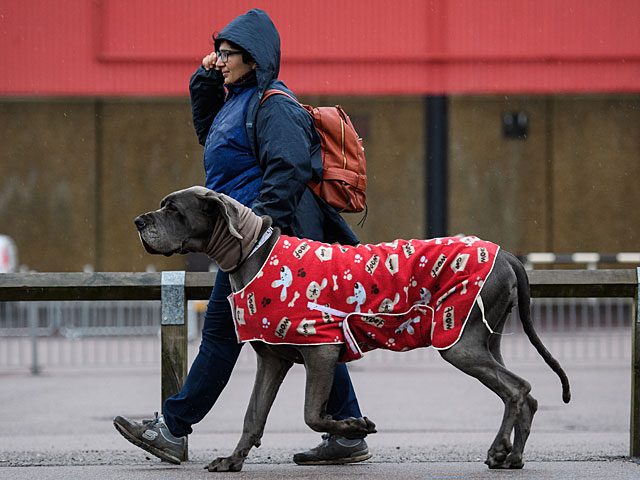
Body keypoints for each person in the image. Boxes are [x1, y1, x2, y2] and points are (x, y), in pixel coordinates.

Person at [114, 8, 371, 466]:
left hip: (266, 244)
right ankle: (347, 430)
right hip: (243, 241)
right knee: (311, 336)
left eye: (227, 53)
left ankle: (173, 428)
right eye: (217, 51)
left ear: (253, 59)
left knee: (221, 332)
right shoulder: (237, 104)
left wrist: (258, 231)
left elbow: (289, 169)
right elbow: (206, 131)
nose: (219, 58)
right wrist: (204, 77)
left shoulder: (274, 105)